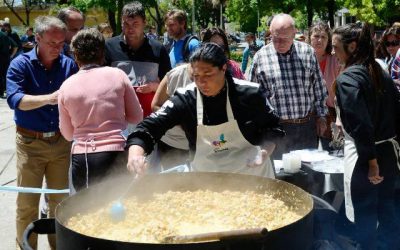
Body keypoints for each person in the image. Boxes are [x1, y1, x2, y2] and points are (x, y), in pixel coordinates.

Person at [127, 43, 282, 178]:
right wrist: (135, 154)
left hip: (253, 175)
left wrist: (264, 152)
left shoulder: (250, 93)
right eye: (196, 76)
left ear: (223, 68)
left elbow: (274, 127)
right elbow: (148, 127)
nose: (201, 82)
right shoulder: (185, 98)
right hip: (207, 180)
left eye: (208, 74)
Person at [6, 16, 78, 249]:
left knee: (60, 202)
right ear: (37, 39)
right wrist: (52, 98)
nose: (58, 48)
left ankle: (59, 246)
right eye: (52, 43)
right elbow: (16, 100)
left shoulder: (69, 65)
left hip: (60, 142)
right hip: (30, 143)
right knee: (27, 204)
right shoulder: (20, 64)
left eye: (61, 43)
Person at [333, 22, 400, 250]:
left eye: (336, 47)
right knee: (387, 211)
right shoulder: (380, 72)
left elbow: (362, 125)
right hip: (389, 155)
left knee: (366, 218)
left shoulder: (348, 80)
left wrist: (372, 163)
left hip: (366, 160)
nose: (333, 52)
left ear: (352, 47)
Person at [58, 28, 143, 192]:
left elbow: (68, 135)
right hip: (116, 154)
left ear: (75, 55)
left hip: (82, 158)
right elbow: (136, 116)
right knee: (119, 210)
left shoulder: (66, 86)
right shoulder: (118, 75)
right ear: (102, 53)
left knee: (86, 212)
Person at [249, 13, 328, 160]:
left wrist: (322, 116)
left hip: (306, 127)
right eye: (274, 37)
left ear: (294, 34)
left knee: (308, 176)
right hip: (276, 130)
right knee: (279, 177)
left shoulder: (307, 52)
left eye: (284, 39)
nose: (278, 43)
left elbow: (319, 87)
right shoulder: (260, 57)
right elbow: (253, 98)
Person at [105, 1, 171, 118]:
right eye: (126, 24)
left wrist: (155, 87)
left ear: (144, 23)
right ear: (121, 23)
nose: (130, 29)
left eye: (135, 24)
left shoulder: (158, 49)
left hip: (150, 118)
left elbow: (170, 85)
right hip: (118, 117)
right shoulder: (109, 46)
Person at [308, 21, 341, 151]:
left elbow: (341, 92)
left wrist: (339, 117)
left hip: (330, 114)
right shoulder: (302, 58)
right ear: (309, 37)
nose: (319, 40)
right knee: (309, 156)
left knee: (332, 155)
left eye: (323, 37)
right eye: (316, 36)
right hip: (308, 115)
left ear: (329, 40)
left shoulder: (335, 60)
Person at [0, 29, 17, 98]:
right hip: (6, 58)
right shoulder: (5, 35)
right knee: (5, 74)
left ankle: (1, 92)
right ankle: (5, 91)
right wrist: (11, 56)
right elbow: (15, 46)